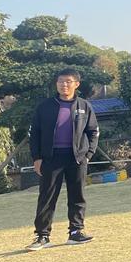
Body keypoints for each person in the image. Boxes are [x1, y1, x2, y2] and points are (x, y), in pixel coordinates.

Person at [27, 68, 100, 250]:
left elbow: (93, 132)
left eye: (68, 81)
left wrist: (88, 155)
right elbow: (34, 133)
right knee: (47, 196)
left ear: (76, 84)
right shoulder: (45, 107)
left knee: (77, 195)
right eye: (60, 81)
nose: (64, 85)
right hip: (50, 158)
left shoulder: (84, 106)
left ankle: (76, 232)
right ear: (56, 84)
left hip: (76, 158)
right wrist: (36, 158)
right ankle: (42, 236)